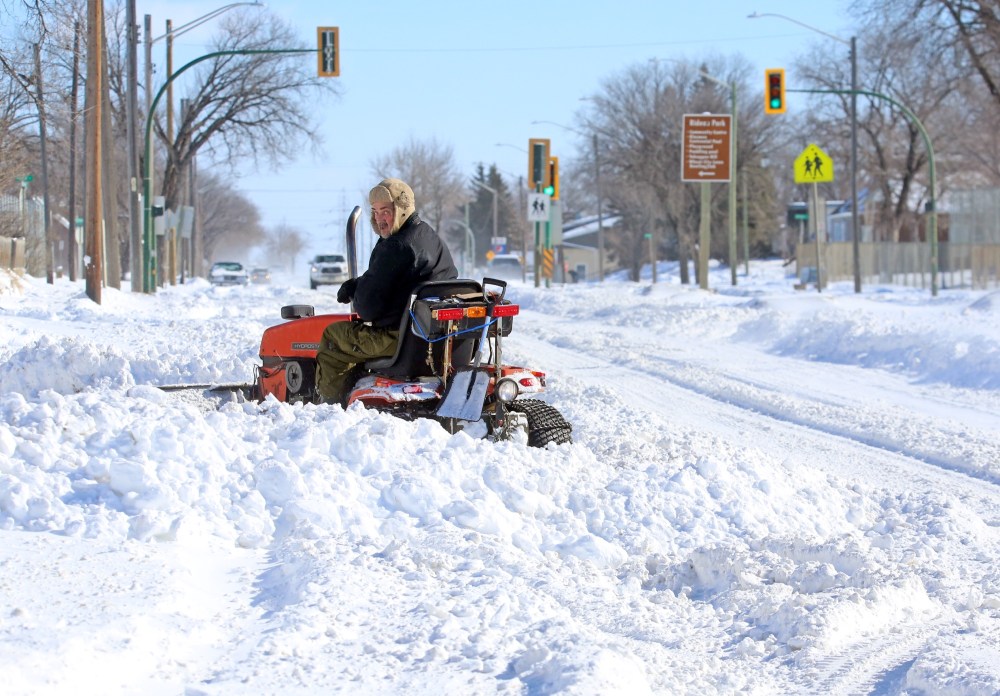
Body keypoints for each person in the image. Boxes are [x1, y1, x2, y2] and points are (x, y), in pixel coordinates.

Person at [315, 178, 458, 405]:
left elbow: (367, 309)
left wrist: (356, 291)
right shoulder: (430, 237)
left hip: (401, 339)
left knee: (333, 337)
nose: (380, 218)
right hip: (438, 340)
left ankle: (329, 407)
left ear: (401, 209)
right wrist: (358, 284)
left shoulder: (395, 246)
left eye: (386, 211)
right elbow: (400, 279)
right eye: (375, 212)